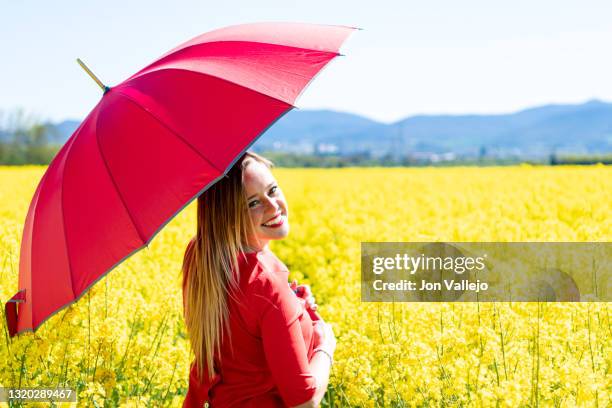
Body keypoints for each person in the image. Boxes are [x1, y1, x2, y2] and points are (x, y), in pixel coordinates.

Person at [181, 151, 336, 407]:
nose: (273, 206)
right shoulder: (267, 284)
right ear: (229, 216)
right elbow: (304, 403)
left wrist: (294, 305)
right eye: (253, 203)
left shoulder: (200, 256)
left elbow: (240, 336)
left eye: (272, 190)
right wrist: (326, 346)